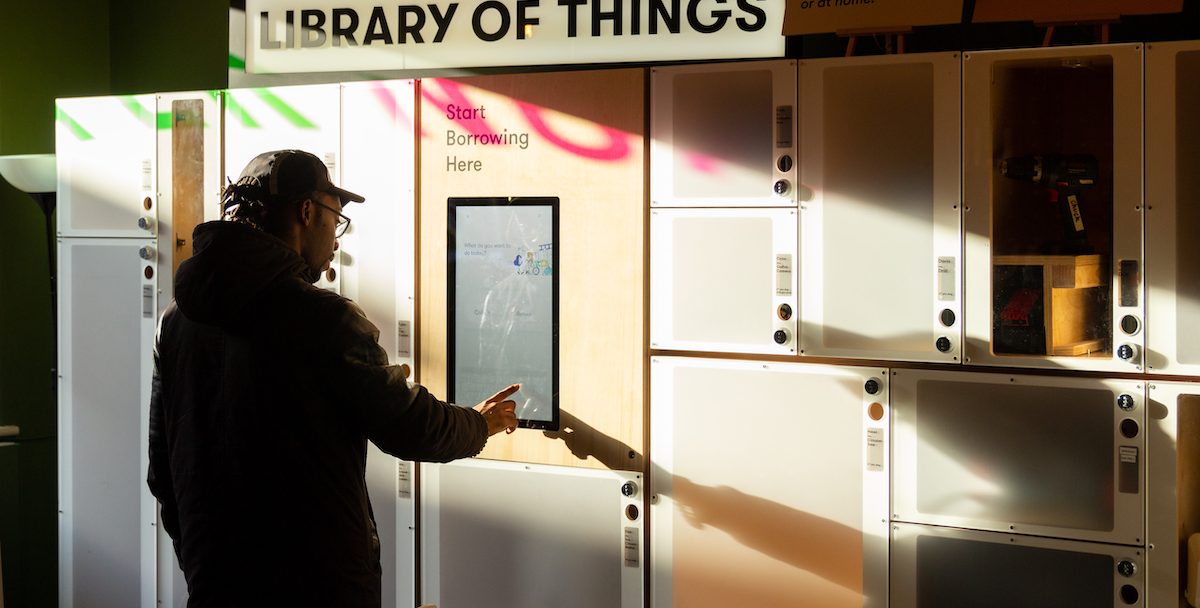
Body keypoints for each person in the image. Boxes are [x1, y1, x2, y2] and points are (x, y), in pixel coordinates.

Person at [147, 149, 519, 607]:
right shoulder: (324, 319)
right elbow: (409, 425)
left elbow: (162, 470)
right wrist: (480, 423)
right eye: (335, 219)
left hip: (215, 585)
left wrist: (203, 561)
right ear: (306, 212)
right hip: (320, 586)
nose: (337, 242)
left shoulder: (176, 322)